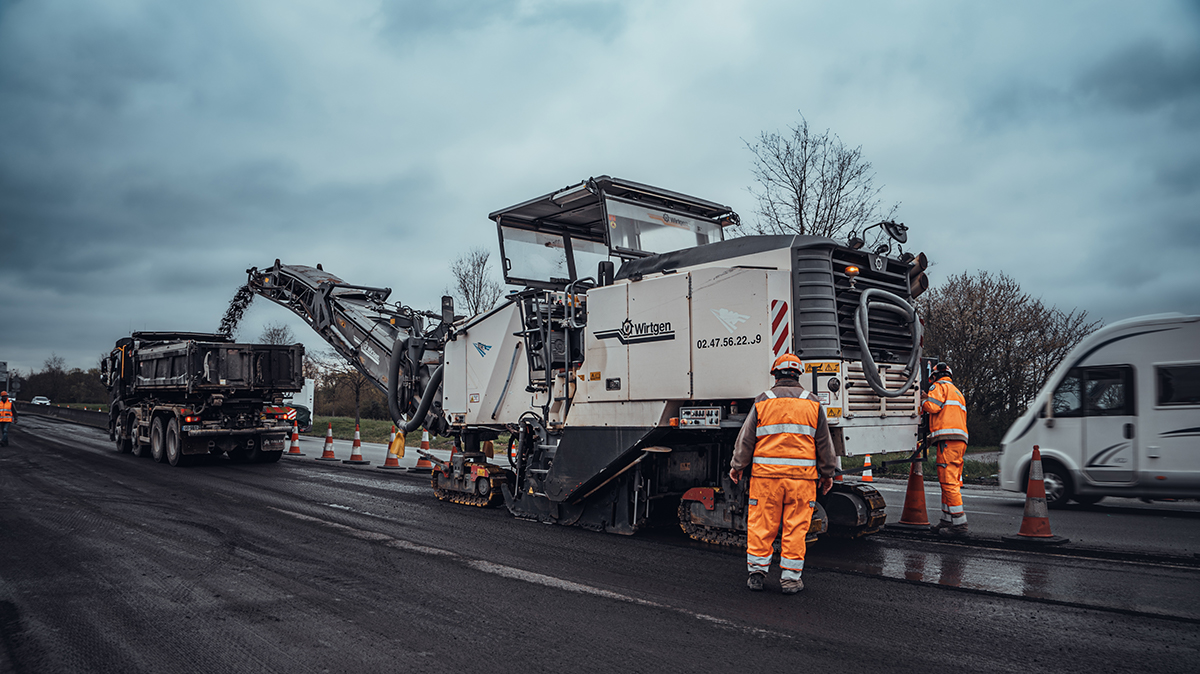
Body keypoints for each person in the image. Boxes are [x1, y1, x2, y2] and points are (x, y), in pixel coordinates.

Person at [729, 354, 835, 594]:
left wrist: (737, 466)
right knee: (796, 527)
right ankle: (790, 579)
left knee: (761, 525)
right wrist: (827, 473)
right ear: (798, 375)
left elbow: (745, 440)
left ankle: (757, 574)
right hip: (802, 480)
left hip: (766, 480)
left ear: (775, 375)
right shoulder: (813, 403)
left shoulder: (762, 401)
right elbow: (825, 444)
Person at [921, 363, 970, 537]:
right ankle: (947, 519)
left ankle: (959, 524)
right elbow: (949, 417)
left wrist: (922, 399)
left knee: (948, 481)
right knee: (950, 481)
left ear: (935, 376)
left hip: (948, 440)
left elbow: (933, 407)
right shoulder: (957, 391)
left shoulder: (938, 386)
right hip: (959, 440)